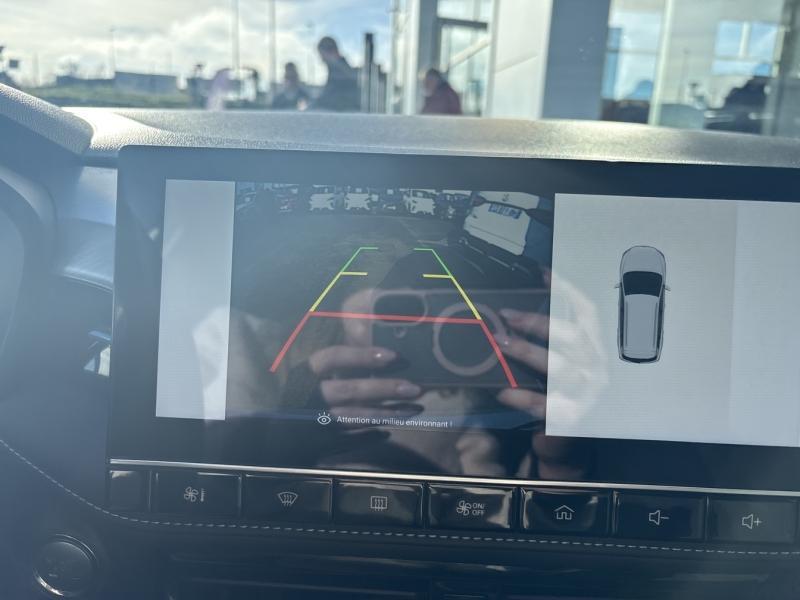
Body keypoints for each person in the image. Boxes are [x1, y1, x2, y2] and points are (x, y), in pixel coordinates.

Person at [313, 36, 360, 112]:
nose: (322, 60)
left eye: (322, 56)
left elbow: (332, 97)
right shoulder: (340, 71)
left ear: (332, 52)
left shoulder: (341, 73)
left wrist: (314, 105)